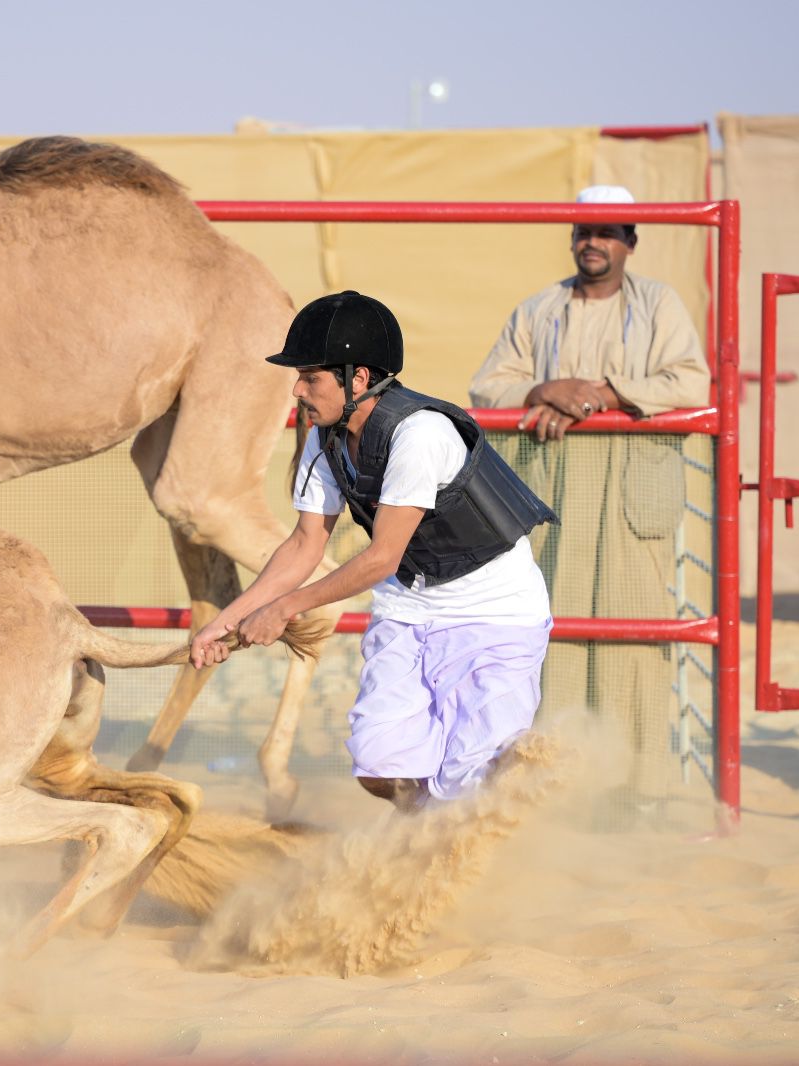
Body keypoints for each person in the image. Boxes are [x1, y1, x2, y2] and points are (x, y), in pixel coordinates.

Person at [191, 291, 556, 811]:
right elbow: (303, 544)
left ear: (357, 379)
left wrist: (285, 608)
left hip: (494, 613)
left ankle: (469, 865)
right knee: (382, 767)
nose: (296, 389)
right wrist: (228, 621)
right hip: (410, 605)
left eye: (310, 376)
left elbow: (382, 556)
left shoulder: (420, 434)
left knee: (470, 786)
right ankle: (427, 840)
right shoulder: (327, 437)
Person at [468, 185, 711, 808]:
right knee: (550, 639)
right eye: (583, 231)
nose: (592, 243)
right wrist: (545, 389)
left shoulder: (659, 305)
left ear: (630, 241)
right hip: (552, 500)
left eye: (607, 232)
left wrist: (601, 394)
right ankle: (553, 793)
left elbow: (689, 380)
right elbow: (489, 384)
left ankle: (636, 792)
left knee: (631, 638)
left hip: (629, 500)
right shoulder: (539, 310)